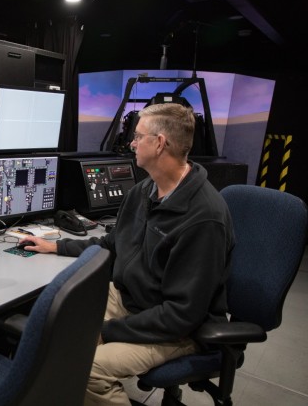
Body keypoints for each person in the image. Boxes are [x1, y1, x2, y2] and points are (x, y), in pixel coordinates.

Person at [21, 103, 235, 406]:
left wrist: (108, 332)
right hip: (130, 299)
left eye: (138, 137)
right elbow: (112, 244)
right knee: (54, 324)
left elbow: (181, 315)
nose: (132, 144)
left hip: (177, 330)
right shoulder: (145, 190)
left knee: (90, 367)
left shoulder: (204, 219)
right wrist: (57, 246)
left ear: (159, 143)